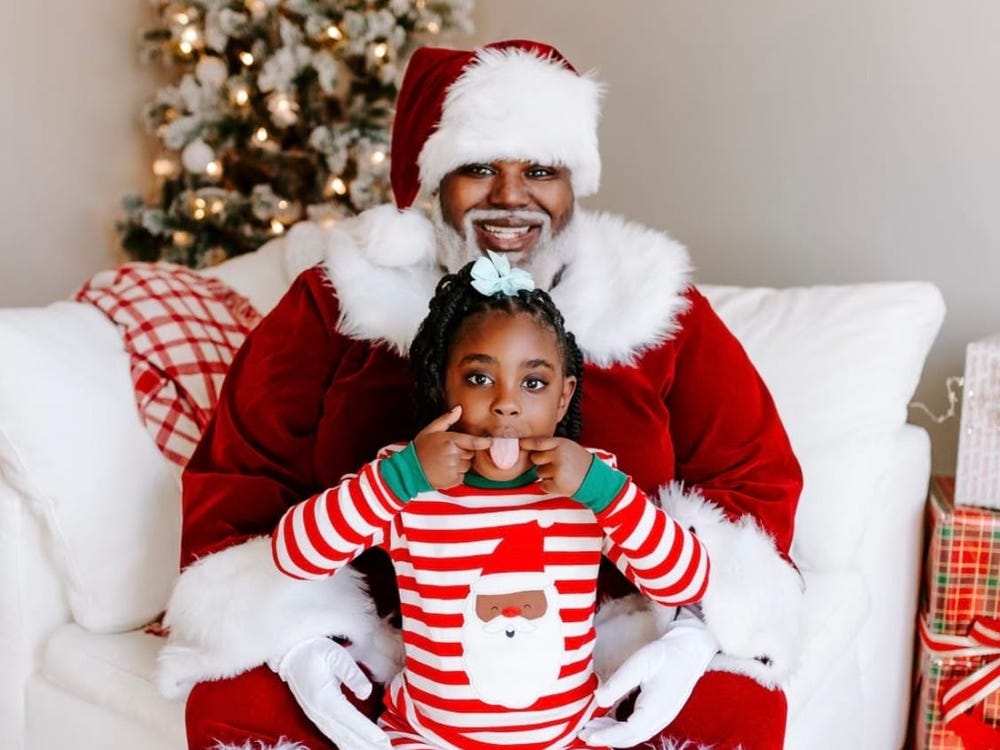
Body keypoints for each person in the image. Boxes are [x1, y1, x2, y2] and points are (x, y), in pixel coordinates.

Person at [157, 39, 805, 750]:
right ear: (433, 180)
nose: (510, 196)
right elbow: (242, 477)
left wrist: (687, 633)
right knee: (230, 701)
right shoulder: (336, 302)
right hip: (379, 652)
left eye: (538, 170)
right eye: (477, 169)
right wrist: (298, 639)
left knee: (740, 708)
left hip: (600, 652)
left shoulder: (651, 306)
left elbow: (750, 473)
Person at [269, 252, 718, 750]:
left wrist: (604, 492)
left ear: (564, 397)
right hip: (425, 739)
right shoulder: (406, 481)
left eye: (533, 383)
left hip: (567, 738)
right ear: (443, 386)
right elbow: (295, 557)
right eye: (480, 378)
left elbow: (684, 580)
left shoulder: (592, 485)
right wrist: (400, 477)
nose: (506, 402)